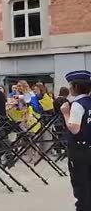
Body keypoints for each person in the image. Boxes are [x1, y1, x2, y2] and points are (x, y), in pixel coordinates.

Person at [60, 70, 91, 211]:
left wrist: (66, 114)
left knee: (81, 185)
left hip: (79, 150)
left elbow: (74, 128)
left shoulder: (77, 104)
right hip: (88, 146)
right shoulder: (89, 102)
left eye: (71, 85)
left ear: (76, 87)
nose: (70, 88)